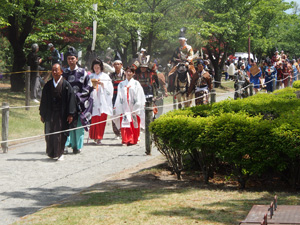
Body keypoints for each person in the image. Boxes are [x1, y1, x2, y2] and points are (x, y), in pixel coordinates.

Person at [40, 63, 77, 161]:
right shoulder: (48, 85)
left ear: (61, 71)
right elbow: (43, 101)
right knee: (49, 133)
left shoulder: (66, 85)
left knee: (60, 134)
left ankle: (60, 153)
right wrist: (42, 114)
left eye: (57, 70)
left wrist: (70, 114)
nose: (55, 72)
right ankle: (51, 153)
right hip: (50, 113)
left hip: (62, 114)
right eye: (53, 70)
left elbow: (71, 100)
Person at [62, 46, 94, 154]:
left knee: (78, 125)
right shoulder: (64, 73)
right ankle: (66, 145)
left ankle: (77, 146)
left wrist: (78, 97)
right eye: (68, 59)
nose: (70, 61)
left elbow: (88, 87)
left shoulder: (83, 72)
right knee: (66, 124)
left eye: (72, 58)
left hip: (79, 103)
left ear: (76, 59)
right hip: (66, 103)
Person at [113, 66, 146, 146]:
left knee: (134, 123)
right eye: (127, 71)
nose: (128, 73)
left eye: (131, 71)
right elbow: (119, 96)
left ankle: (134, 139)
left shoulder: (136, 83)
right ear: (125, 72)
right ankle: (125, 140)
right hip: (124, 106)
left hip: (134, 106)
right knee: (125, 123)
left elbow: (140, 95)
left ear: (133, 73)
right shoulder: (121, 84)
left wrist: (137, 104)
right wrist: (119, 105)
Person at [89, 58, 113, 145]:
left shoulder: (106, 77)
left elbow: (110, 90)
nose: (96, 69)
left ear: (101, 67)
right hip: (94, 100)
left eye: (98, 67)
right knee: (94, 119)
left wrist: (103, 85)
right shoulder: (90, 76)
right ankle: (94, 136)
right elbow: (86, 87)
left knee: (101, 119)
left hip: (103, 101)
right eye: (95, 67)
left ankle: (99, 137)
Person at [110, 54, 125, 139]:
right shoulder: (111, 75)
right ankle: (116, 132)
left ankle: (123, 131)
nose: (116, 66)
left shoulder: (125, 74)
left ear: (121, 65)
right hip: (114, 97)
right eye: (115, 64)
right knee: (114, 114)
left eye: (118, 64)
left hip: (123, 97)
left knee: (123, 114)